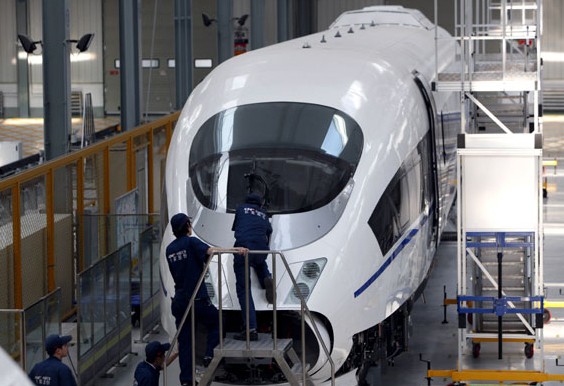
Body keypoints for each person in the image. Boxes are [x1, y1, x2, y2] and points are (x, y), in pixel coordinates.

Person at [166, 213, 246, 386]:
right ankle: (210, 355)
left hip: (179, 300)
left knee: (185, 342)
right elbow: (212, 251)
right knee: (217, 321)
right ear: (187, 225)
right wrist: (237, 250)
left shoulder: (170, 249)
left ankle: (186, 381)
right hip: (197, 297)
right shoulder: (191, 242)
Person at [231, 193, 274, 341]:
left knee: (244, 290)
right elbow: (269, 231)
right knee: (259, 260)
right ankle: (266, 278)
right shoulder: (263, 213)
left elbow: (236, 227)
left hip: (243, 250)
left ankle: (250, 329)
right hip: (261, 250)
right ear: (260, 204)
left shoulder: (241, 209)